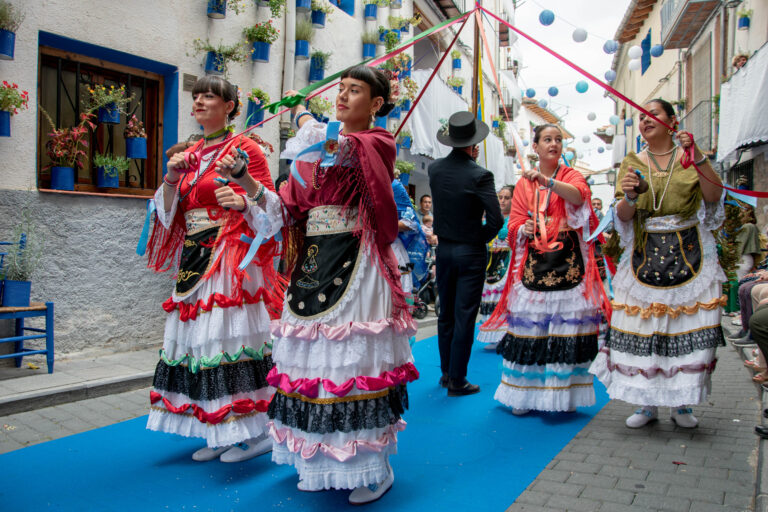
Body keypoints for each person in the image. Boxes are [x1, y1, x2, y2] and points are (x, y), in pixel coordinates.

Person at [263, 66, 418, 504]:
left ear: (377, 105)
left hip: (359, 260)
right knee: (315, 362)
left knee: (354, 365)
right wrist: (247, 187)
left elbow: (342, 149)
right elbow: (289, 205)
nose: (345, 96)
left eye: (356, 91)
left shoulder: (376, 142)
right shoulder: (316, 153)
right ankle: (319, 459)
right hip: (315, 263)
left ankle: (373, 466)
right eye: (342, 89)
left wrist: (302, 117)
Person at [144, 76, 283, 462]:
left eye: (210, 95)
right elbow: (169, 215)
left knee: (229, 342)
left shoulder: (245, 148)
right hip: (194, 256)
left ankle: (257, 429)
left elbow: (272, 208)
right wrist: (172, 176)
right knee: (199, 344)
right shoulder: (191, 154)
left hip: (230, 257)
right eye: (196, 96)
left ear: (230, 106)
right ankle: (220, 426)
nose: (200, 101)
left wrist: (241, 202)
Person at [589, 98, 725, 429]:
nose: (645, 120)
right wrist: (630, 197)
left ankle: (681, 404)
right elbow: (622, 215)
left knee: (682, 326)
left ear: (671, 120)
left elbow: (712, 196)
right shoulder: (632, 161)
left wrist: (699, 158)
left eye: (654, 114)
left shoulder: (689, 157)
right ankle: (647, 403)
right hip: (644, 253)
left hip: (689, 250)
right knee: (645, 328)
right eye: (641, 116)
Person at [483, 125, 607, 415]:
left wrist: (547, 182)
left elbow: (579, 196)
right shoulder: (524, 185)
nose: (554, 144)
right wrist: (523, 228)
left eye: (558, 139)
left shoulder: (570, 175)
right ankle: (524, 396)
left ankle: (561, 396)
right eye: (547, 139)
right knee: (532, 328)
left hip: (569, 263)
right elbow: (513, 223)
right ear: (535, 147)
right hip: (534, 265)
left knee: (565, 329)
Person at [429, 111, 503, 396]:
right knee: (464, 316)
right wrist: (477, 239)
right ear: (474, 145)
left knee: (445, 314)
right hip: (470, 251)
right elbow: (496, 221)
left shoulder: (434, 169)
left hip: (444, 250)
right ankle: (458, 380)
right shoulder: (480, 175)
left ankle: (447, 373)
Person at [477, 185, 514, 349]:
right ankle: (494, 335)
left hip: (507, 263)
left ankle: (506, 335)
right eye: (500, 197)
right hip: (489, 263)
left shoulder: (517, 218)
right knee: (489, 298)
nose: (503, 201)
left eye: (507, 197)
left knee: (503, 299)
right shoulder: (490, 218)